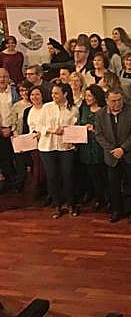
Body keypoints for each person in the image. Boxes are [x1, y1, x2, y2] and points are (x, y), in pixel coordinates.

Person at [95, 89, 131, 223]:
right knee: (113, 185)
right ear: (107, 101)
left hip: (129, 154)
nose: (117, 103)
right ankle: (117, 210)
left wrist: (123, 148)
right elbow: (99, 135)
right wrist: (113, 150)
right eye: (113, 101)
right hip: (111, 156)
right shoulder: (100, 114)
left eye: (120, 100)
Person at [38, 82, 79, 218]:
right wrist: (51, 130)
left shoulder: (73, 109)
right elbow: (39, 125)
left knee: (68, 175)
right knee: (52, 176)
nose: (53, 96)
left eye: (56, 93)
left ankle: (71, 203)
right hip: (47, 146)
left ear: (65, 94)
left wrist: (68, 134)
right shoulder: (46, 107)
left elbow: (75, 128)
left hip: (65, 147)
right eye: (52, 93)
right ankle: (57, 205)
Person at [78, 84, 106, 211]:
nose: (87, 98)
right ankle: (93, 195)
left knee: (101, 174)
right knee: (89, 174)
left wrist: (94, 129)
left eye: (89, 96)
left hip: (99, 146)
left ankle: (103, 198)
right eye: (86, 95)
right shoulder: (84, 109)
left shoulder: (104, 110)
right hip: (86, 146)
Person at [24, 85, 47, 200]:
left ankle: (46, 191)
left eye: (37, 94)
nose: (34, 97)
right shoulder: (28, 110)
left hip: (46, 141)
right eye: (32, 94)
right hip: (33, 143)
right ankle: (38, 190)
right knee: (36, 166)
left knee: (45, 168)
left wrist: (41, 133)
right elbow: (27, 128)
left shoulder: (47, 108)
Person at [9, 80, 32, 191]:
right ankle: (20, 184)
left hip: (32, 137)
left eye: (26, 90)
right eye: (21, 91)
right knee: (20, 162)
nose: (24, 93)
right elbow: (13, 122)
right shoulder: (16, 105)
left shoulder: (35, 103)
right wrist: (15, 134)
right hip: (20, 137)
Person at [0, 68, 19, 187]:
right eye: (0, 77)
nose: (2, 79)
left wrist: (11, 128)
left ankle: (16, 182)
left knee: (15, 158)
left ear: (9, 78)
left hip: (13, 130)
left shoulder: (15, 92)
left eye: (4, 77)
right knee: (3, 158)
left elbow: (19, 112)